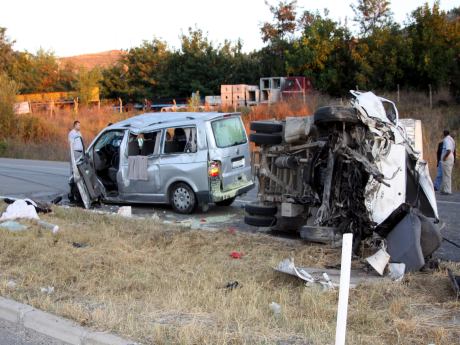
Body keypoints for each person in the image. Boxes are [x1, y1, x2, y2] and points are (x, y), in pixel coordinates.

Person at [440, 129, 456, 195]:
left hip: (447, 157)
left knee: (447, 174)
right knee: (445, 173)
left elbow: (449, 150)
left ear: (444, 134)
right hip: (451, 156)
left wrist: (444, 157)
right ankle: (443, 189)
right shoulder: (452, 139)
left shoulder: (447, 140)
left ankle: (447, 190)